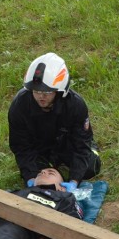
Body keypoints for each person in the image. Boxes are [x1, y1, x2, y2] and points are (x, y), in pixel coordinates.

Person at [8, 52, 101, 190]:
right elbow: (21, 147)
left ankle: (64, 168)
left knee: (90, 166)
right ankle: (52, 167)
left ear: (59, 91)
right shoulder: (19, 106)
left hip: (67, 143)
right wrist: (31, 177)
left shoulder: (75, 105)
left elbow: (81, 145)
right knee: (41, 179)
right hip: (39, 146)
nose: (41, 97)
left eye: (46, 92)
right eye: (36, 92)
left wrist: (74, 182)